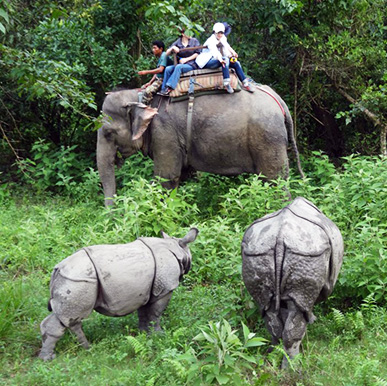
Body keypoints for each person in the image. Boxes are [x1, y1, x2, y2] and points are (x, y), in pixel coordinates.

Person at [195, 22, 254, 94]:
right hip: (208, 61)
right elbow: (215, 52)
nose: (220, 35)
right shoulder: (211, 40)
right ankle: (226, 83)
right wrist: (221, 59)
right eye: (218, 33)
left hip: (219, 60)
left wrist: (232, 55)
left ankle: (245, 83)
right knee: (225, 60)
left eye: (221, 33)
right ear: (215, 32)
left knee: (236, 63)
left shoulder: (222, 38)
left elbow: (226, 48)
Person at [159, 28, 201, 96]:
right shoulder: (178, 42)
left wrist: (186, 59)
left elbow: (197, 53)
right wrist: (172, 48)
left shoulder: (194, 41)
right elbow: (167, 53)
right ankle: (163, 89)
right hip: (180, 64)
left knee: (179, 67)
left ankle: (170, 87)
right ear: (183, 34)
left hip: (191, 64)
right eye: (188, 32)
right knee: (168, 69)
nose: (190, 34)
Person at [137, 40, 173, 104]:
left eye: (155, 48)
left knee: (148, 91)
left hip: (163, 79)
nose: (153, 50)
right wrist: (150, 82)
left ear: (161, 49)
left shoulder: (164, 55)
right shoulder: (160, 57)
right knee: (143, 88)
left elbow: (160, 70)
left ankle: (147, 108)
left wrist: (146, 72)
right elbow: (157, 73)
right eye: (153, 48)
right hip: (158, 79)